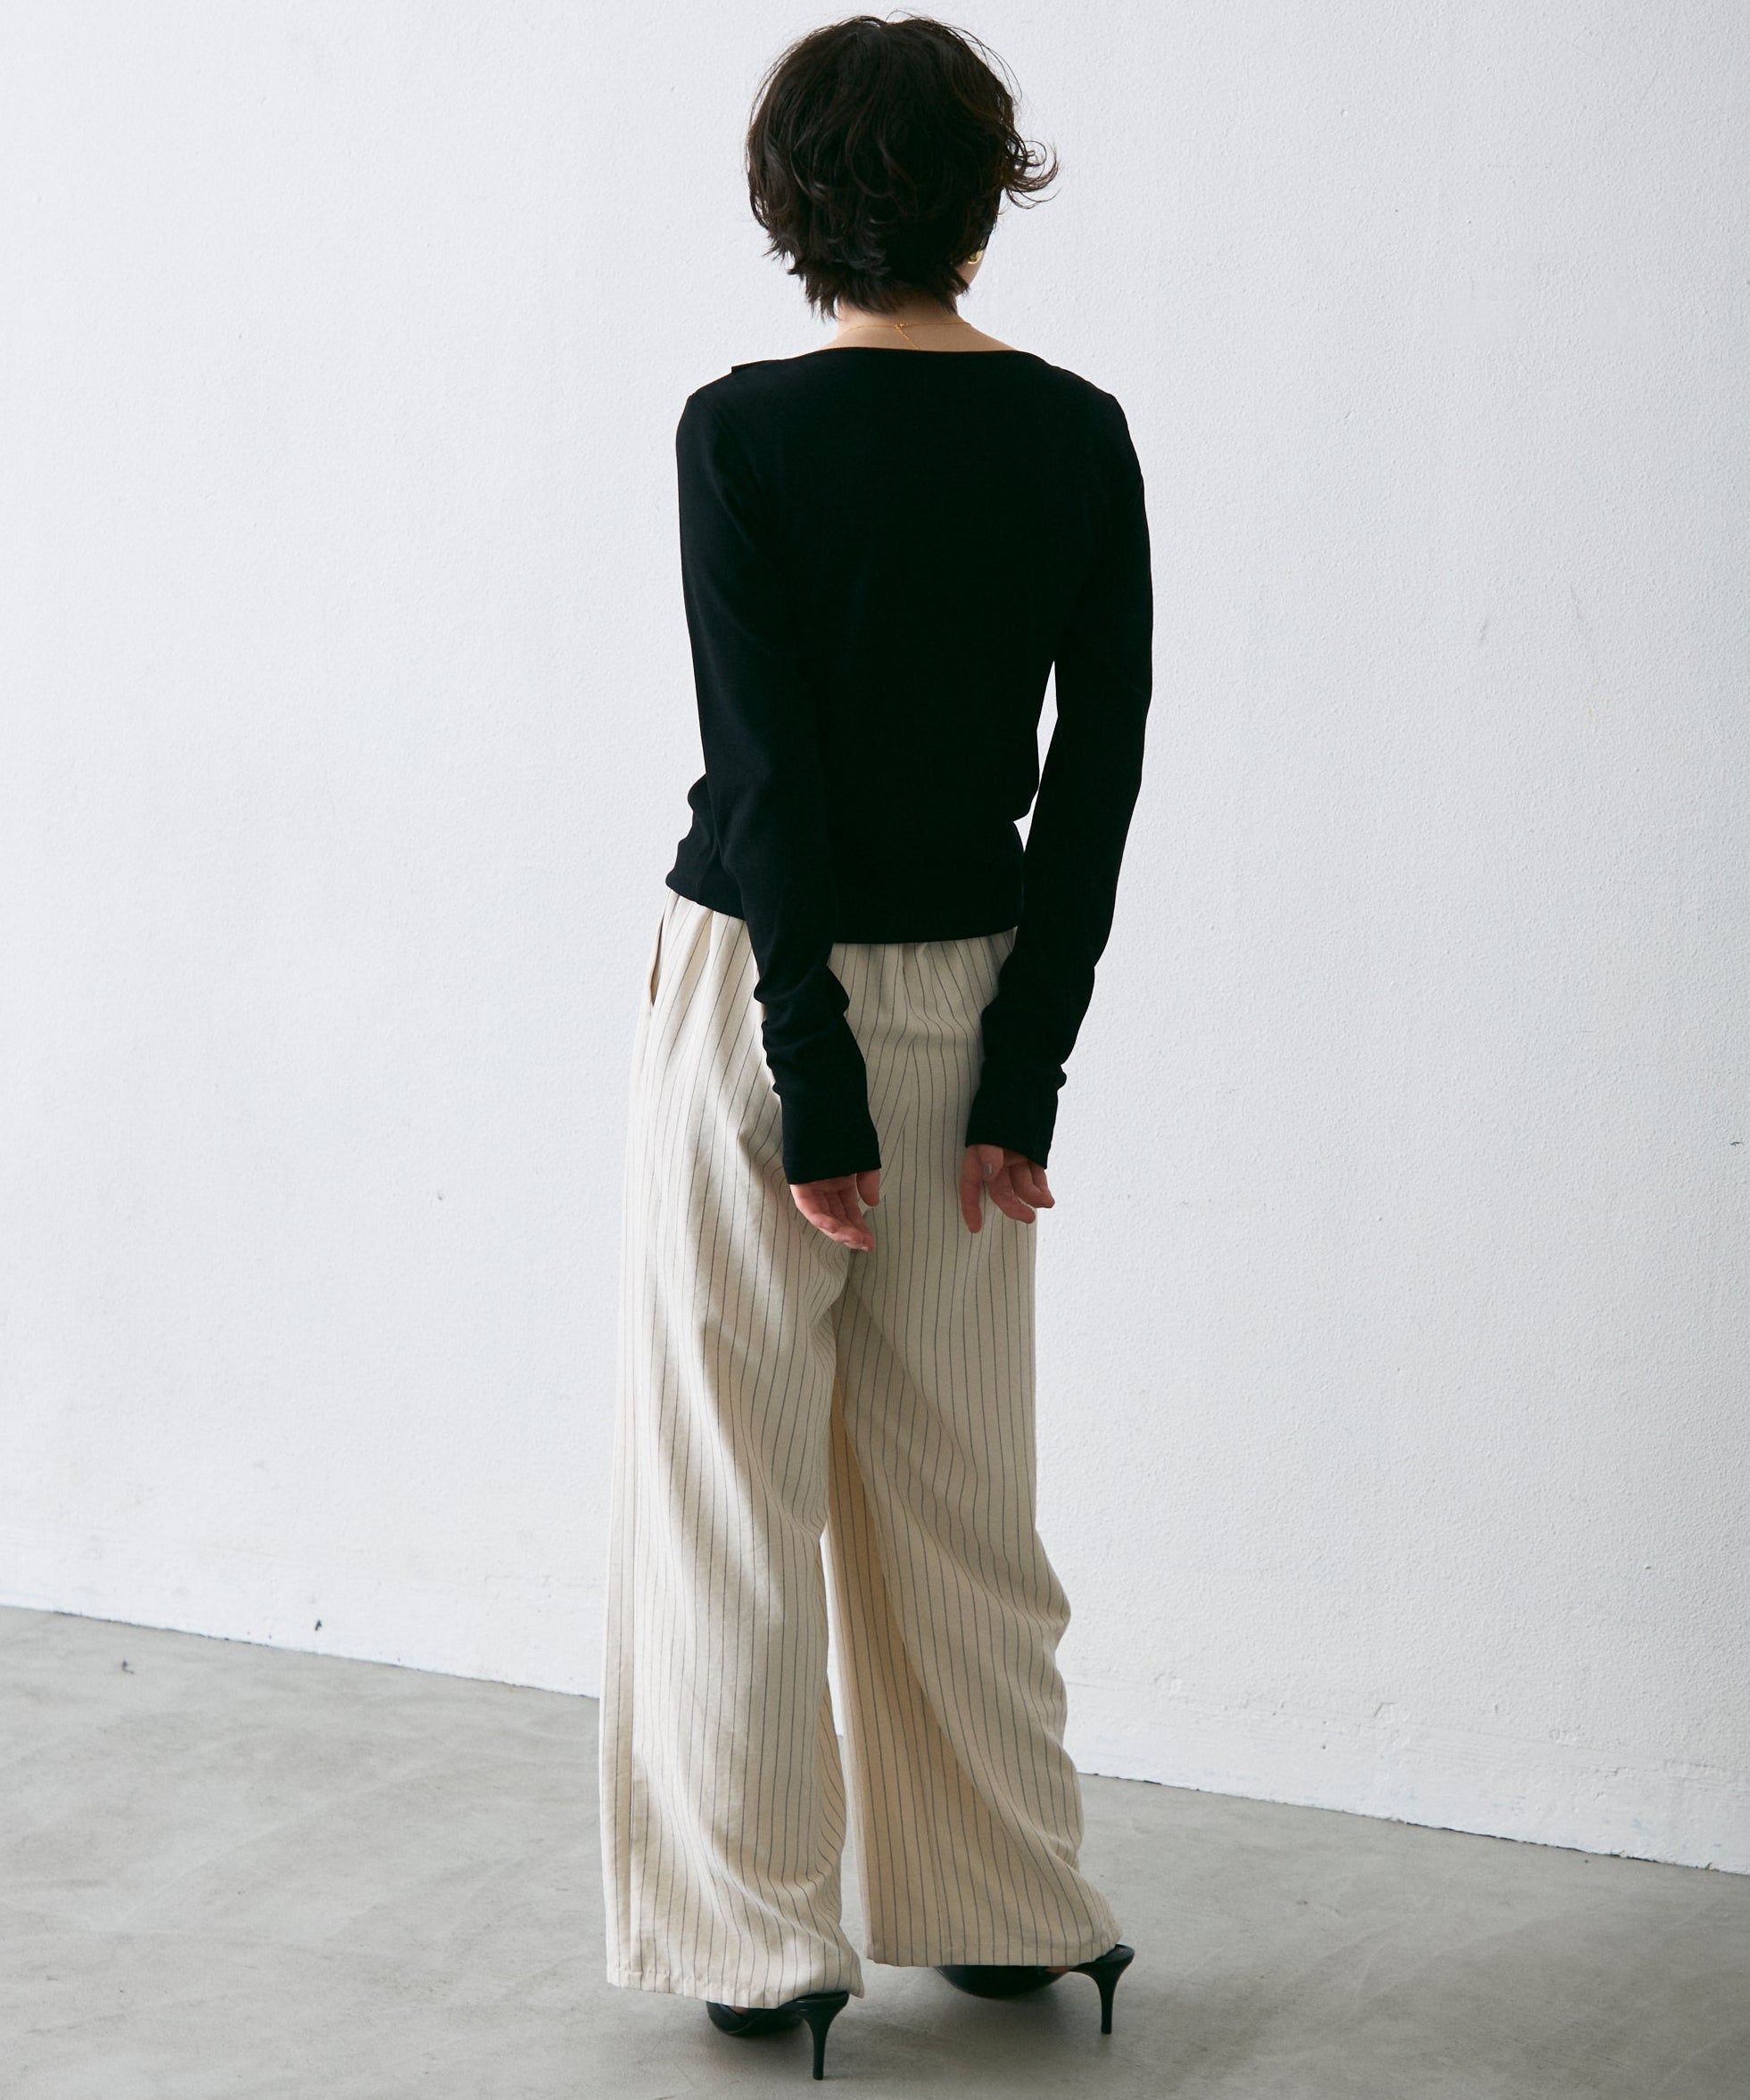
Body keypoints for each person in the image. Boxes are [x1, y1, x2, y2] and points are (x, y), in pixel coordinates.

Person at [598, 12, 1152, 2079]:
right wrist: (1024, 1077)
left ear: (795, 206)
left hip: (763, 989)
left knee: (731, 1483)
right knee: (962, 1480)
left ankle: (765, 1941)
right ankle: (1011, 1902)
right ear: (984, 201)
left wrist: (808, 1086)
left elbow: (768, 773)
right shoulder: (1077, 433)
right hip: (973, 987)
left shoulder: (740, 431)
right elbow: (1095, 778)